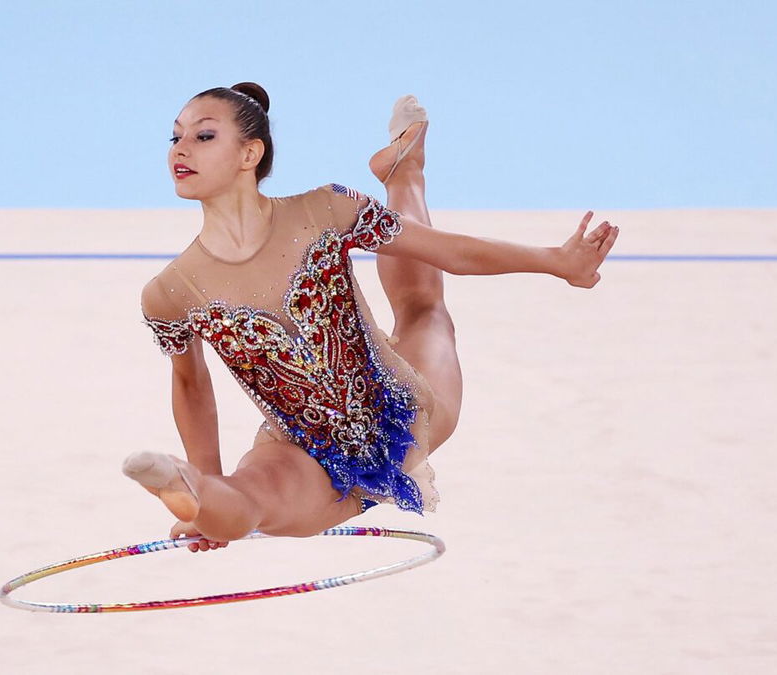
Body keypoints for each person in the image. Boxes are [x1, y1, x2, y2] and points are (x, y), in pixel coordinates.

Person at [124, 82, 619, 552]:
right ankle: (189, 489)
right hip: (298, 451)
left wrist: (557, 260)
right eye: (175, 136)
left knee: (425, 312)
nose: (179, 149)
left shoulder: (325, 209)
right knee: (247, 498)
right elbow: (192, 386)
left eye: (203, 135)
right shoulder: (169, 293)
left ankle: (405, 171)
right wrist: (207, 478)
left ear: (249, 154)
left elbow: (449, 252)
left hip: (404, 409)